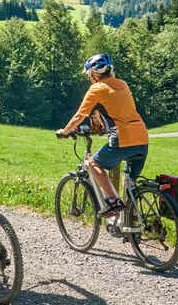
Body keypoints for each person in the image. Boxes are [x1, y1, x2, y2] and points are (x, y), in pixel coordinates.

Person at [55, 53, 148, 218]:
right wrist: (101, 126)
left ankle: (113, 201)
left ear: (94, 73)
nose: (89, 77)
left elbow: (80, 115)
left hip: (123, 138)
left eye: (90, 73)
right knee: (131, 184)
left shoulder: (97, 88)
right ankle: (134, 222)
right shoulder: (122, 84)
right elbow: (118, 110)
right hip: (142, 138)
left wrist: (65, 131)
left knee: (93, 164)